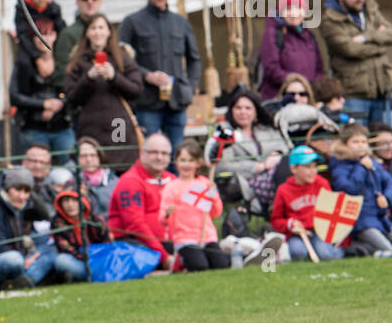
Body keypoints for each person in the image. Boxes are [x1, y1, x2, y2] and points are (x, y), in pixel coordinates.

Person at [117, 0, 201, 152]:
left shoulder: (181, 23)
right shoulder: (132, 22)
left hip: (177, 100)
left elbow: (194, 59)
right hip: (147, 101)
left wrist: (190, 87)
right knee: (151, 152)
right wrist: (146, 75)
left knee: (177, 152)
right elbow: (121, 58)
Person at [63, 13, 144, 170]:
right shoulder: (78, 61)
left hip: (117, 124)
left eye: (101, 27)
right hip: (91, 126)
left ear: (109, 32)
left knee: (120, 164)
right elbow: (71, 97)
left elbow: (136, 90)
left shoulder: (122, 57)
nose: (97, 32)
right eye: (93, 28)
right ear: (87, 33)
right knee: (92, 168)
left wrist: (115, 77)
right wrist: (88, 78)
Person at [320, 0, 392, 128]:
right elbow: (350, 49)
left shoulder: (370, 8)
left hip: (381, 88)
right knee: (356, 139)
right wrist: (380, 41)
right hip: (353, 94)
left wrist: (366, 37)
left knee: (384, 140)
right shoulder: (330, 20)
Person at [328, 122, 392, 255]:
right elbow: (349, 190)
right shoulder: (340, 165)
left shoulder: (371, 162)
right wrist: (361, 167)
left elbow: (389, 181)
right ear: (345, 144)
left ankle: (370, 250)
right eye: (355, 142)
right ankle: (353, 249)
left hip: (380, 219)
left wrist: (387, 197)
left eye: (363, 141)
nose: (360, 145)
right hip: (359, 221)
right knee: (388, 250)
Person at [0, 168, 55, 290]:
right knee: (14, 260)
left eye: (26, 191)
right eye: (17, 190)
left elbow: (44, 214)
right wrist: (24, 260)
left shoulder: (17, 203)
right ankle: (23, 279)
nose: (22, 196)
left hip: (12, 255)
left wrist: (30, 192)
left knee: (50, 250)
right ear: (7, 188)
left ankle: (23, 281)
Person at [204, 87, 287, 216]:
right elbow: (222, 165)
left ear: (255, 112)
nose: (243, 112)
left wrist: (277, 154)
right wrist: (259, 167)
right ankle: (276, 209)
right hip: (243, 183)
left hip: (273, 176)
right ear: (231, 110)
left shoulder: (264, 129)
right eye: (238, 108)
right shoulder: (225, 133)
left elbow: (284, 148)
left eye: (248, 108)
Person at [108, 133, 175, 269]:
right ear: (142, 154)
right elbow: (135, 225)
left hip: (166, 241)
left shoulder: (172, 179)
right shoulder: (130, 181)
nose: (159, 157)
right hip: (134, 242)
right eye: (154, 152)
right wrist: (164, 257)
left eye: (164, 153)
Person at [160, 139, 230, 271]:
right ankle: (180, 260)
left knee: (221, 265)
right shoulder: (171, 187)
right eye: (183, 160)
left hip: (207, 236)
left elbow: (216, 213)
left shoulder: (204, 183)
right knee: (200, 267)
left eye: (191, 160)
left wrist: (214, 195)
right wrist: (168, 213)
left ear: (198, 163)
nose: (186, 164)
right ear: (176, 162)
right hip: (185, 238)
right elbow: (162, 220)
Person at [270, 146, 344, 261]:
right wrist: (290, 224)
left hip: (319, 232)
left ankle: (339, 251)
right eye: (307, 167)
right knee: (298, 253)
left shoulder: (322, 184)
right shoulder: (283, 190)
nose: (313, 171)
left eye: (315, 166)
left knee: (325, 255)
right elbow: (276, 220)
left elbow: (332, 212)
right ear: (294, 169)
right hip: (296, 235)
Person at [10, 35, 72, 159]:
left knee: (69, 168)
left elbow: (74, 89)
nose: (44, 38)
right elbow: (14, 96)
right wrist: (44, 104)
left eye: (48, 33)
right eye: (39, 34)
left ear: (55, 35)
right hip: (33, 127)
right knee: (37, 168)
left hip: (62, 126)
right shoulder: (23, 64)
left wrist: (58, 104)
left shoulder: (64, 62)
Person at [257, 0, 325, 102]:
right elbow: (271, 69)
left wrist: (313, 86)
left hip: (306, 99)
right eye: (288, 9)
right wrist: (298, 83)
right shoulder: (273, 33)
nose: (294, 13)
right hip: (281, 99)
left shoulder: (309, 36)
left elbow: (319, 69)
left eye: (298, 8)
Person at [13, 0, 65, 85]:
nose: (42, 0)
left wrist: (51, 55)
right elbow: (22, 35)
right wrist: (37, 58)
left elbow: (61, 30)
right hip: (31, 47)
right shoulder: (22, 7)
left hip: (50, 46)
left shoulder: (54, 7)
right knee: (24, 63)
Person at [49, 188, 108, 281]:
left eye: (75, 200)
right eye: (66, 200)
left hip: (98, 259)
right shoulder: (57, 222)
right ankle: (92, 275)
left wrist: (94, 255)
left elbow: (107, 243)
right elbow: (64, 247)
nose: (70, 205)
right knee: (61, 260)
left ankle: (89, 275)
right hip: (77, 260)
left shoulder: (96, 220)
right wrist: (83, 256)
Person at [54, 0, 100, 81]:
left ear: (100, 1)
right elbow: (60, 73)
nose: (90, 2)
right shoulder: (68, 34)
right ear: (77, 3)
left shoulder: (107, 31)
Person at [74, 137, 116, 218]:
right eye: (83, 156)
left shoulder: (114, 181)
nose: (89, 160)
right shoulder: (73, 182)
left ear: (100, 157)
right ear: (76, 158)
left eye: (93, 155)